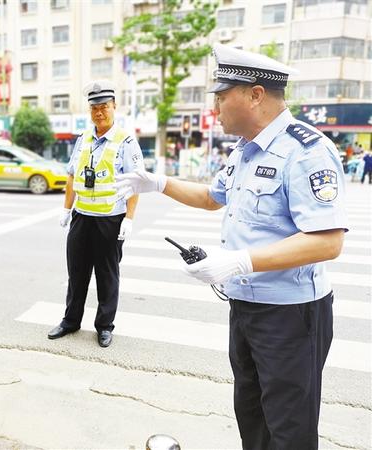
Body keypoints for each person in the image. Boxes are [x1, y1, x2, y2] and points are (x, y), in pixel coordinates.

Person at [115, 44, 348, 449]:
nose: (216, 107)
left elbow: (327, 242)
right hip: (245, 308)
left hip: (290, 316)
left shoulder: (306, 151)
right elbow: (212, 197)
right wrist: (158, 183)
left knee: (289, 429)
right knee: (252, 417)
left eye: (222, 96)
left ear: (255, 95)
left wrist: (239, 261)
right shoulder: (245, 149)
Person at [47, 80, 145, 347]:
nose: (99, 112)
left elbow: (135, 183)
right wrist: (66, 209)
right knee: (76, 274)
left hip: (110, 220)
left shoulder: (126, 142)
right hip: (81, 218)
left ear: (114, 107)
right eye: (94, 108)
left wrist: (129, 219)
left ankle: (104, 326)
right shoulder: (83, 140)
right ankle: (70, 321)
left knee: (107, 276)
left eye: (104, 107)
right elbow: (72, 176)